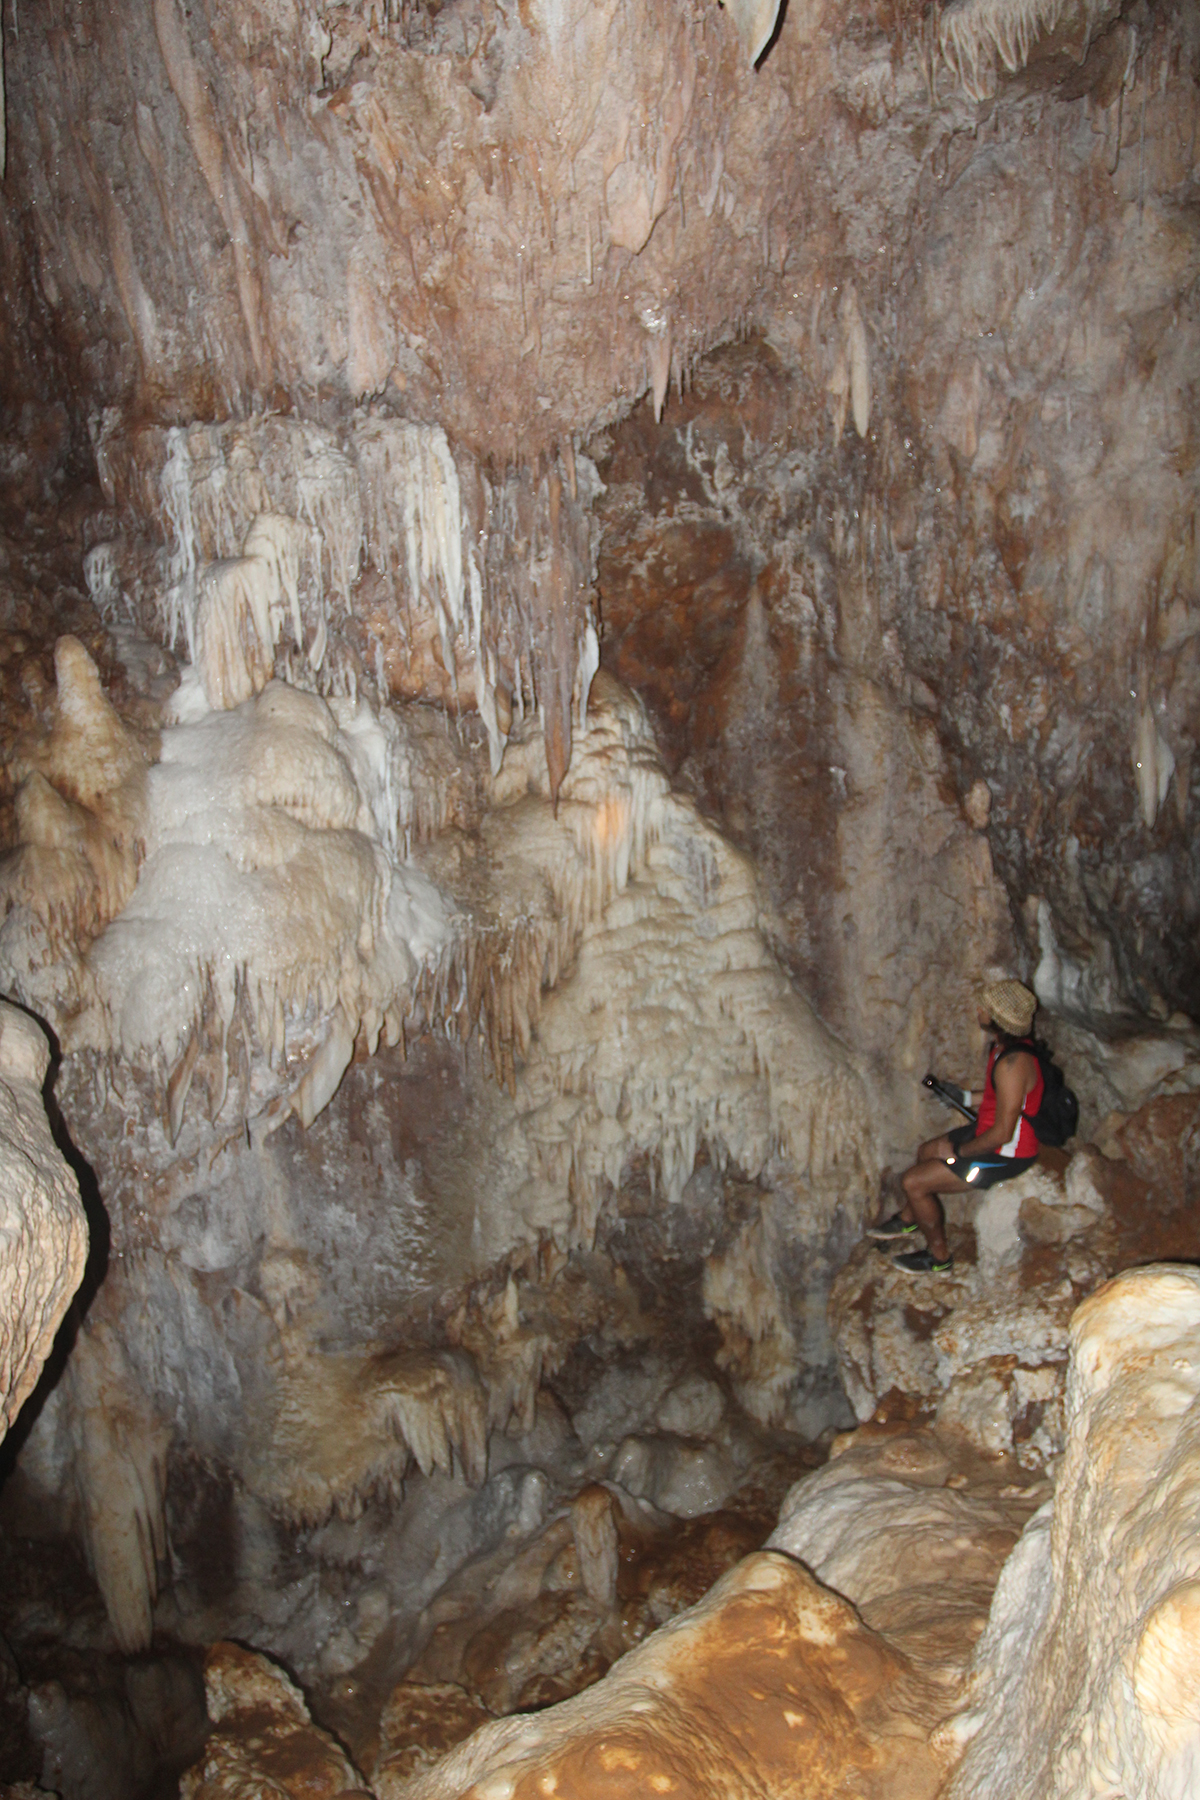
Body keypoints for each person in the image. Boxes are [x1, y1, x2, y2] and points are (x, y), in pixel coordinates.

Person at [869, 979, 1043, 1275]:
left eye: (985, 1008)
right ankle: (910, 1219)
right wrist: (963, 1097)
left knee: (913, 1183)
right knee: (926, 1151)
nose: (979, 1011)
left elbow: (1003, 1133)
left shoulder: (1013, 1065)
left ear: (997, 1019)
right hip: (989, 1132)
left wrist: (960, 1152)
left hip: (1005, 1154)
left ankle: (939, 1258)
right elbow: (1000, 1097)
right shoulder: (1005, 1050)